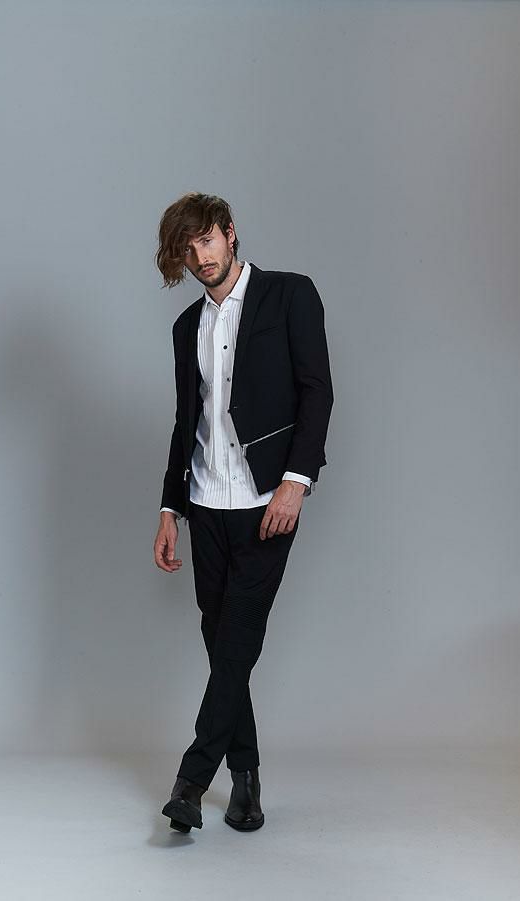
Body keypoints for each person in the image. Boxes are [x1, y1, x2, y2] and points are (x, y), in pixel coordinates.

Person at [153, 191, 333, 833]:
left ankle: (191, 779)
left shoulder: (289, 295)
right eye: (187, 249)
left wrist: (295, 482)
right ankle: (247, 779)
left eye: (206, 239)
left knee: (237, 642)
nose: (199, 256)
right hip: (205, 503)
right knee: (224, 646)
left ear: (230, 233)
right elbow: (187, 421)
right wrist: (170, 507)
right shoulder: (186, 328)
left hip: (265, 503)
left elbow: (317, 391)